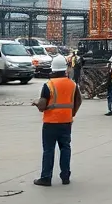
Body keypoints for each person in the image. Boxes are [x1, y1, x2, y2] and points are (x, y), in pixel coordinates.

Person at [34, 54, 81, 187]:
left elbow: (42, 105)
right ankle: (65, 177)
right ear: (65, 69)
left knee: (48, 150)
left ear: (53, 69)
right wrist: (71, 114)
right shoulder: (73, 84)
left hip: (50, 123)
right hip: (66, 122)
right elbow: (78, 101)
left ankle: (46, 178)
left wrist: (37, 103)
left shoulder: (49, 85)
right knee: (65, 148)